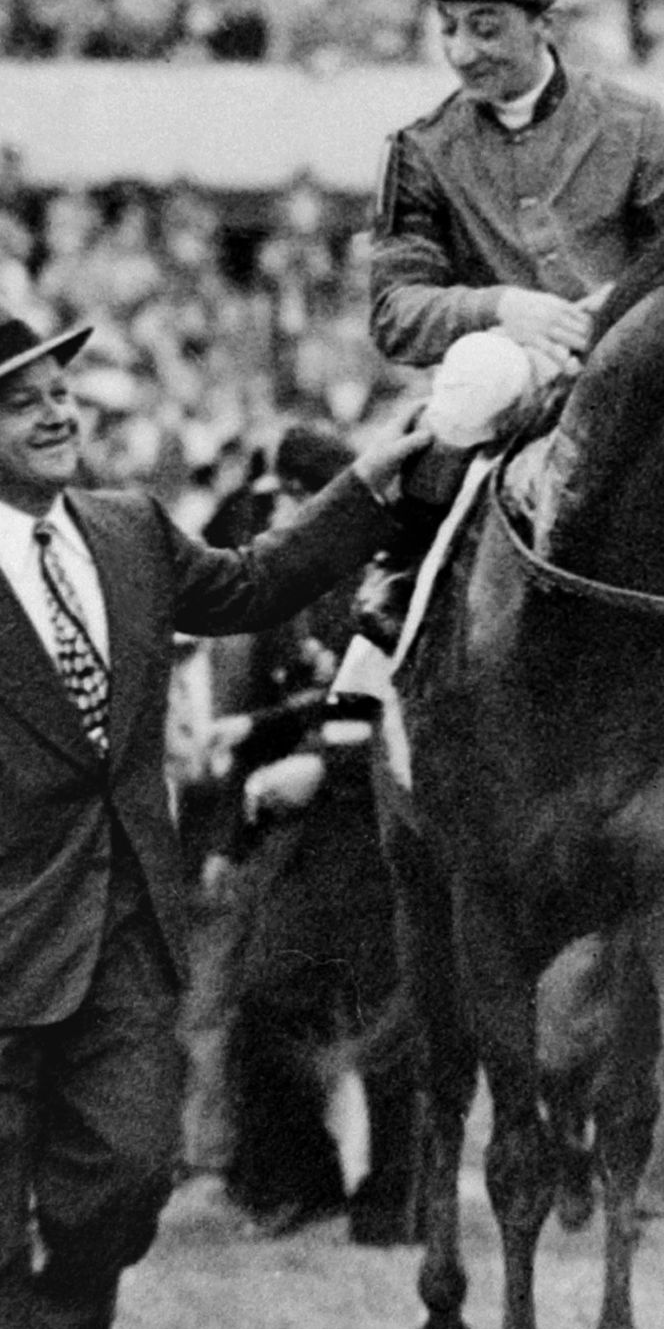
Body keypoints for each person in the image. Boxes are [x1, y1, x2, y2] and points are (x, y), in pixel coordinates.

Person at [0, 291, 423, 1329]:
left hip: (129, 923)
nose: (57, 412)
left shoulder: (131, 529)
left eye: (59, 391)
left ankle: (60, 1327)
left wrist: (375, 481)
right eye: (22, 401)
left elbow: (253, 581)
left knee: (133, 1171)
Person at [198, 421, 415, 1245]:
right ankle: (304, 1180)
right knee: (268, 997)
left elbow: (390, 695)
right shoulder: (287, 586)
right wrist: (231, 834)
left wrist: (321, 761)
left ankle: (398, 1198)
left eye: (290, 495)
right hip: (307, 835)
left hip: (386, 824)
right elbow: (303, 703)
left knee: (394, 1019)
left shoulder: (392, 571)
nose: (279, 511)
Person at [366, 0, 664, 374]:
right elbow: (394, 312)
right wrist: (499, 308)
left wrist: (622, 301)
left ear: (545, 23)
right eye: (449, 28)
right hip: (489, 392)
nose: (462, 53)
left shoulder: (634, 125)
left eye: (485, 30)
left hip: (629, 379)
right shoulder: (421, 150)